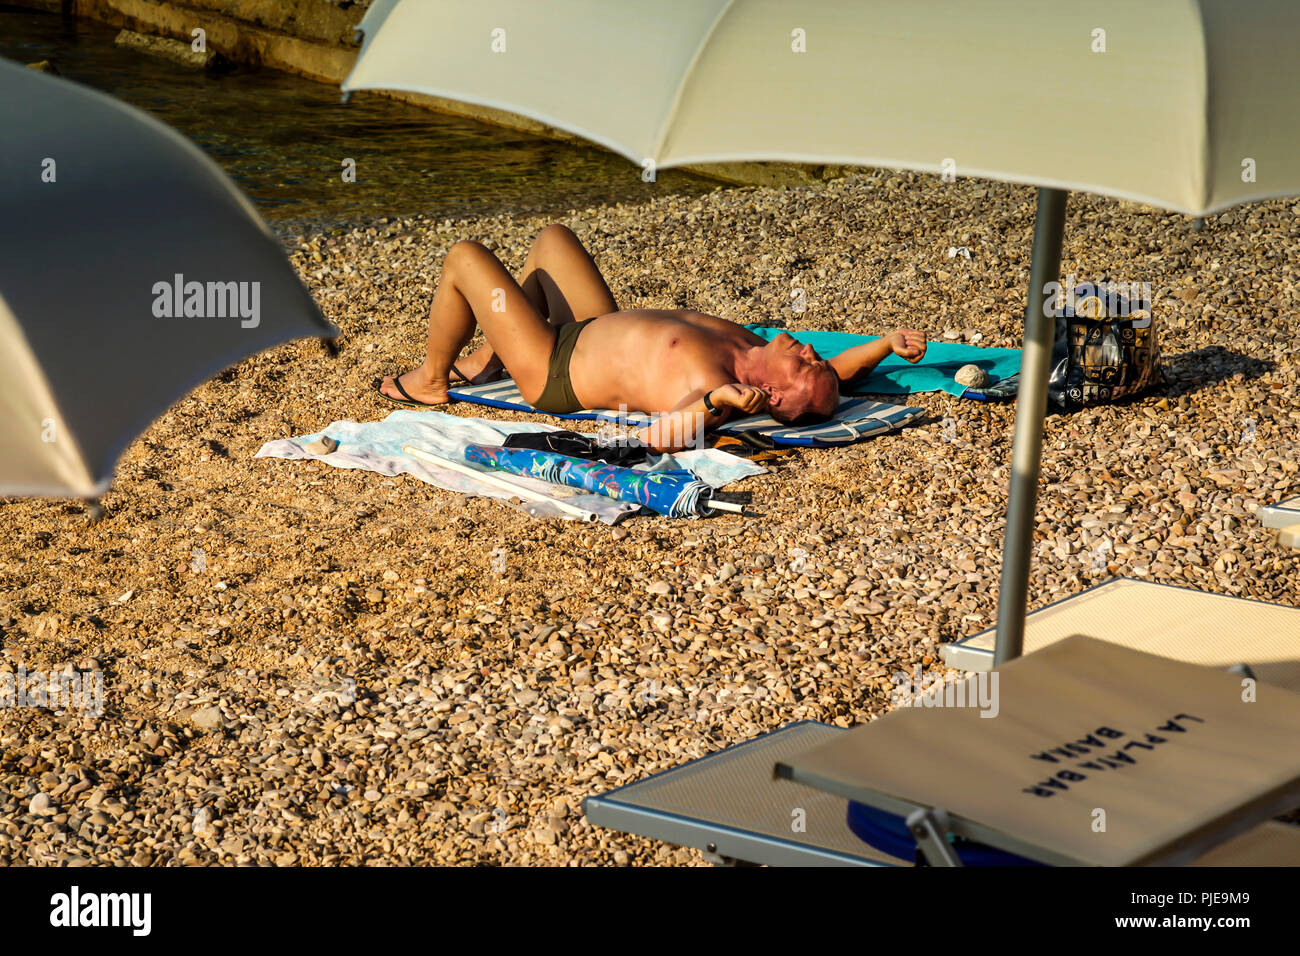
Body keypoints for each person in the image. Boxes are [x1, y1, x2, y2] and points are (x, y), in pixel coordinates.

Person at [377, 225, 927, 451]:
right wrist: (884, 344)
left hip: (554, 367)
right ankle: (490, 353)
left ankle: (430, 379)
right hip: (592, 326)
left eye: (808, 364)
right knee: (552, 240)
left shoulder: (716, 384)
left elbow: (660, 437)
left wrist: (716, 403)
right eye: (816, 356)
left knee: (465, 258)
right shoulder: (756, 352)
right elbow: (844, 371)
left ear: (774, 396)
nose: (812, 351)